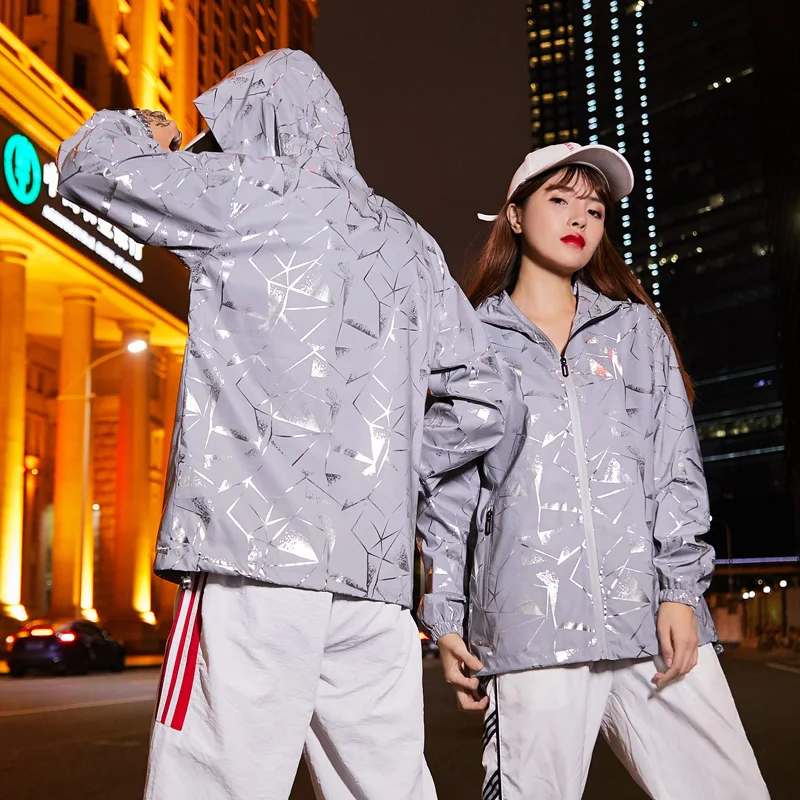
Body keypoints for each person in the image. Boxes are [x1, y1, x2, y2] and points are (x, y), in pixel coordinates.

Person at [58, 49, 508, 800]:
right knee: (387, 787)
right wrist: (397, 470)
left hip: (253, 560)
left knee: (213, 783)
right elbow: (486, 398)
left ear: (253, 123)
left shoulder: (247, 192)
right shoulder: (411, 244)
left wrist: (147, 128)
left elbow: (84, 167)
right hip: (375, 582)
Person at [417, 143, 770, 799]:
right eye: (559, 200)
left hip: (651, 619)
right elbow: (448, 496)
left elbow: (674, 464)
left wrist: (679, 590)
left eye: (596, 209)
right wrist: (446, 618)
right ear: (515, 215)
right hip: (530, 626)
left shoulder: (635, 332)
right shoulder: (471, 342)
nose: (580, 217)